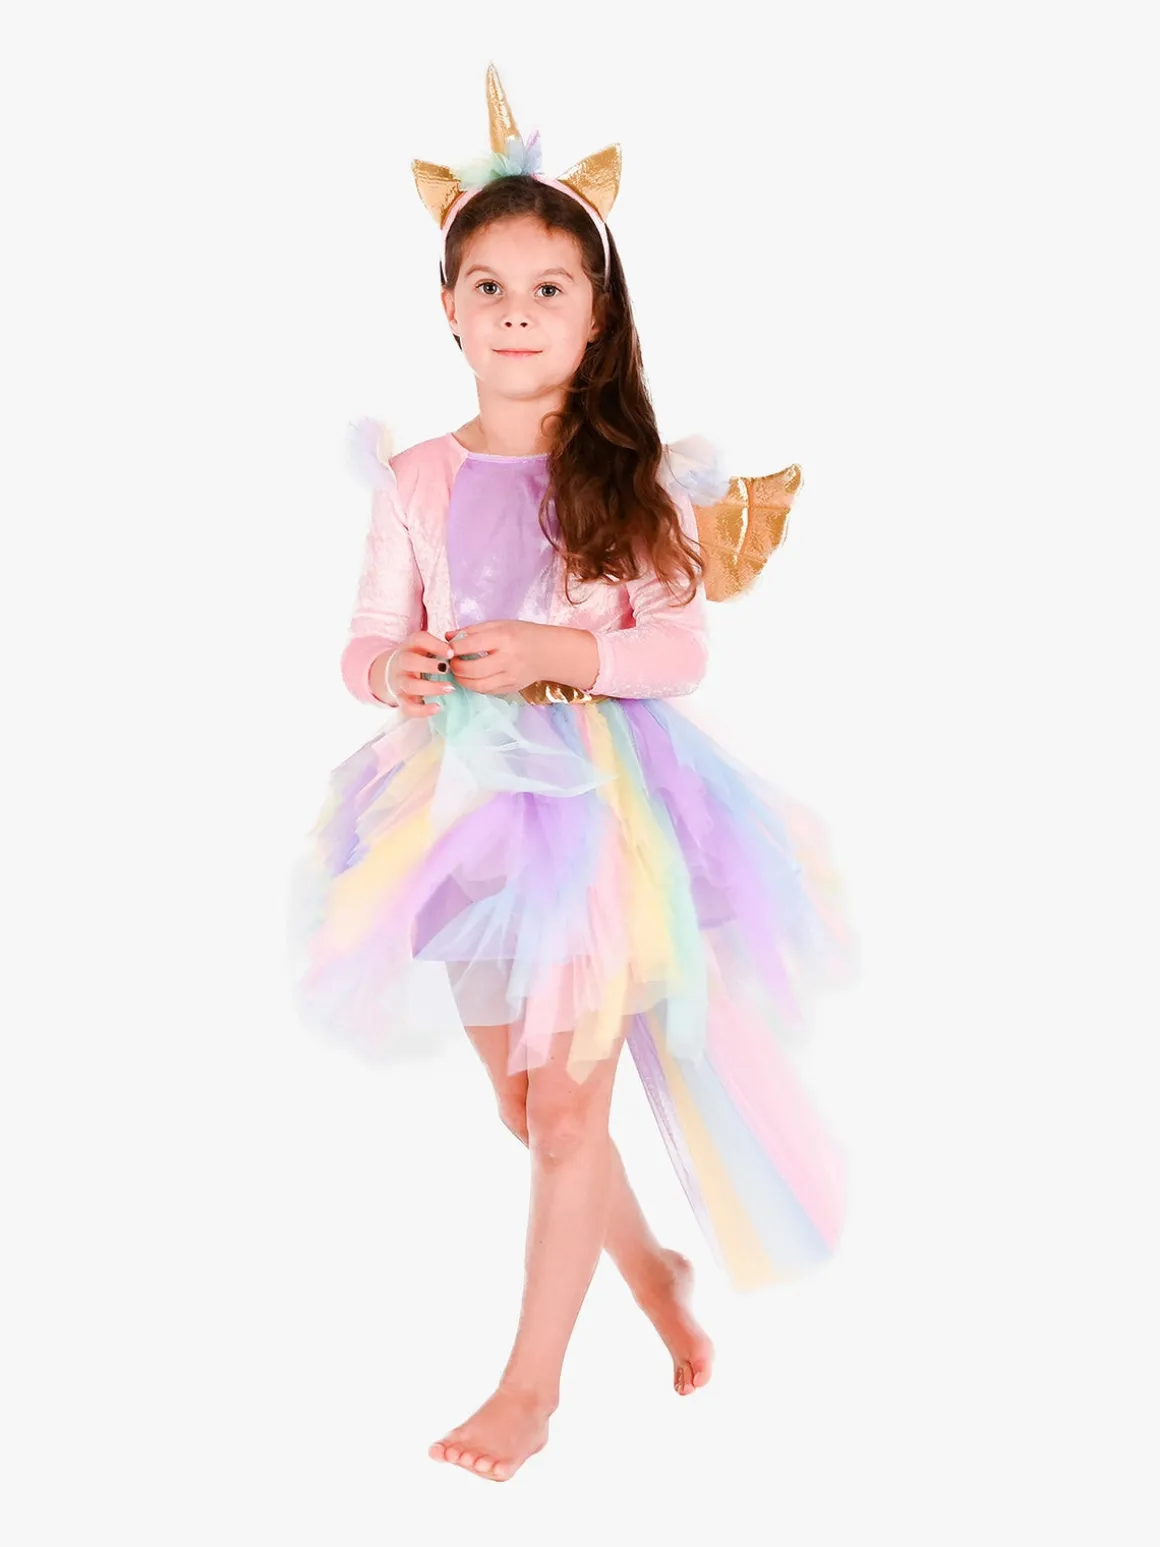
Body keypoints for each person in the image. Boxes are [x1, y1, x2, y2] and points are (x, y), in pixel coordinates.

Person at [287, 63, 858, 1483]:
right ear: (448, 306)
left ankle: (529, 1388)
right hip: (462, 817)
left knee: (570, 1112)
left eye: (550, 289)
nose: (518, 312)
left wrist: (560, 647)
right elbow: (364, 634)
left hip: (605, 818)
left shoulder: (629, 474)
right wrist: (393, 672)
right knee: (524, 1106)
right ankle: (654, 1267)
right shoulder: (416, 478)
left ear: (595, 316)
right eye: (489, 287)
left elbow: (678, 646)